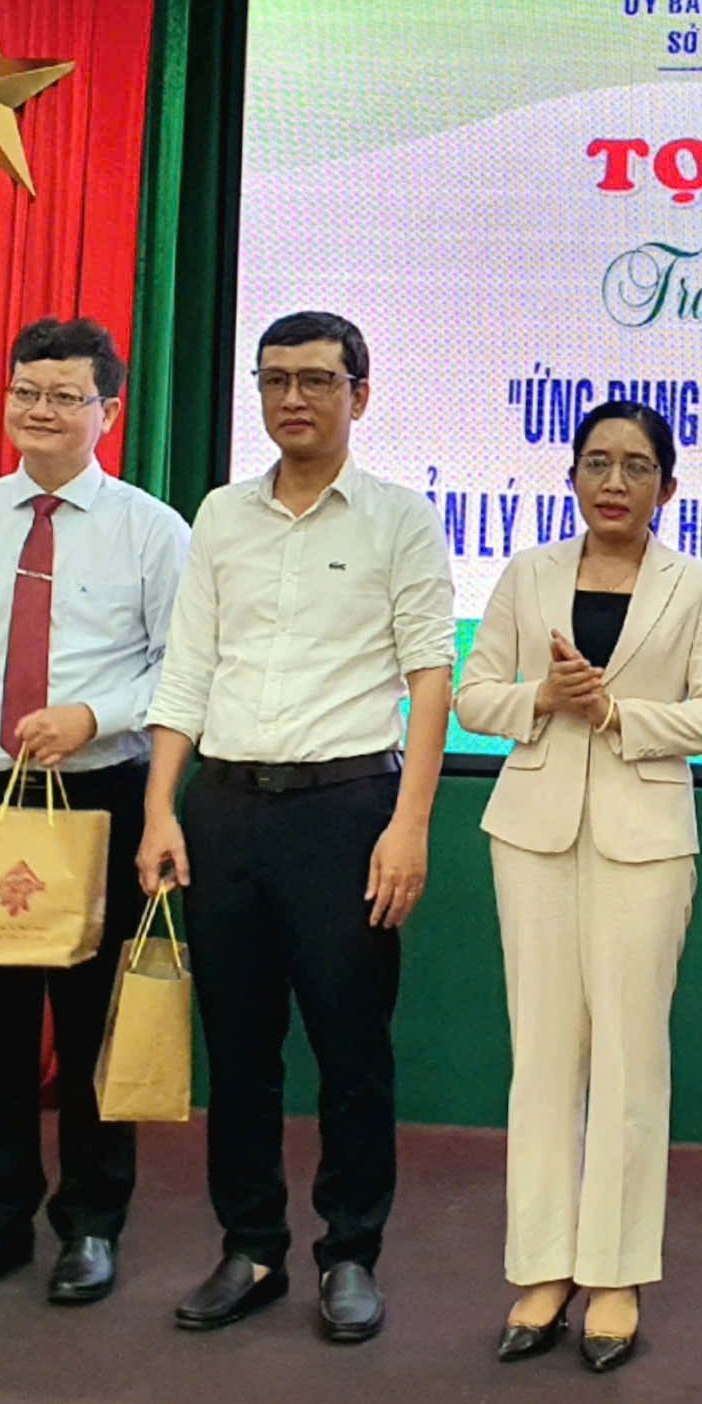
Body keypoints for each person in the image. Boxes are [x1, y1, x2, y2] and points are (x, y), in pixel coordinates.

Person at [137, 311, 455, 1342]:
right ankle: (251, 1246)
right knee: (238, 1051)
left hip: (346, 812)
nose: (293, 399)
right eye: (274, 380)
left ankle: (350, 1252)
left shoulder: (399, 519)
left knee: (351, 1051)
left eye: (316, 380)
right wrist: (160, 807)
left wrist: (409, 825)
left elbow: (431, 675)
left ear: (359, 394)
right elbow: (188, 667)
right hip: (224, 808)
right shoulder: (221, 515)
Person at [0, 317, 190, 1305]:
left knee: (95, 1023)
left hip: (100, 794)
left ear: (109, 412)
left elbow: (186, 672)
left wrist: (96, 715)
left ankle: (92, 1223)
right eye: (26, 392)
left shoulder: (153, 530)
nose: (41, 411)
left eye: (65, 397)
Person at [455, 401, 702, 1372]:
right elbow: (473, 695)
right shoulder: (527, 573)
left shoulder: (696, 586)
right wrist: (543, 697)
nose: (613, 483)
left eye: (635, 467)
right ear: (571, 475)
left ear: (669, 483)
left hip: (645, 839)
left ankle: (615, 1274)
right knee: (541, 1054)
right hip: (531, 831)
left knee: (629, 1055)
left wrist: (618, 713)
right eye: (596, 463)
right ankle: (543, 1268)